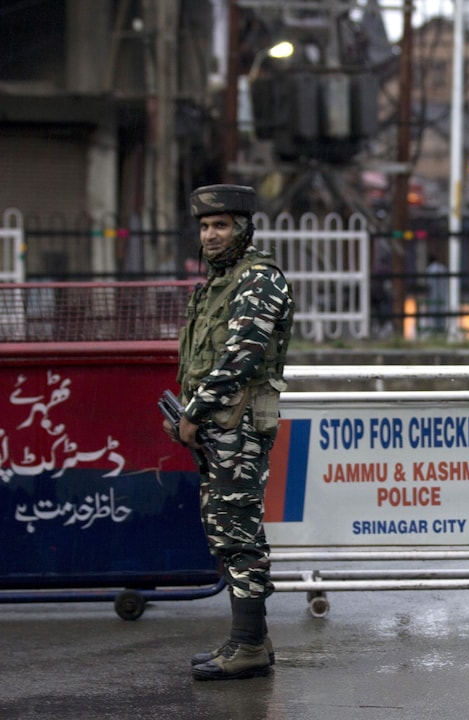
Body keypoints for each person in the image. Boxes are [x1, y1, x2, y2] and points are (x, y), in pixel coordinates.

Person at [162, 184, 294, 680]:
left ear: (242, 228)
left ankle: (248, 647)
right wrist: (188, 413)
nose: (211, 235)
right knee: (227, 531)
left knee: (239, 534)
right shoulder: (216, 284)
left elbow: (241, 357)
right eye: (204, 226)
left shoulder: (259, 280)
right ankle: (249, 640)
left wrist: (192, 413)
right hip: (218, 425)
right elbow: (202, 359)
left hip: (236, 426)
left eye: (221, 225)